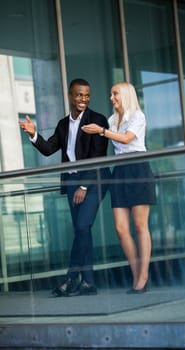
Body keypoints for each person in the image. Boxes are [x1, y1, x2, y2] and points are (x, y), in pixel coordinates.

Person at [19, 78, 110, 297]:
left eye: (87, 95)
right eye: (79, 95)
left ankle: (71, 278)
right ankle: (88, 282)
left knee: (81, 228)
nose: (83, 99)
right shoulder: (62, 124)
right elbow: (49, 148)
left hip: (93, 181)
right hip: (71, 182)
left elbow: (97, 156)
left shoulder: (98, 120)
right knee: (83, 230)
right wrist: (33, 134)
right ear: (70, 95)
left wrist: (83, 186)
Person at [82, 81, 156, 294]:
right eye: (111, 94)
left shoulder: (138, 117)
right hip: (120, 171)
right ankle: (136, 274)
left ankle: (143, 277)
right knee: (121, 228)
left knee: (141, 226)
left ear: (125, 94)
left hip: (138, 168)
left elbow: (126, 139)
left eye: (115, 94)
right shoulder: (112, 120)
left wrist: (102, 131)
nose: (111, 98)